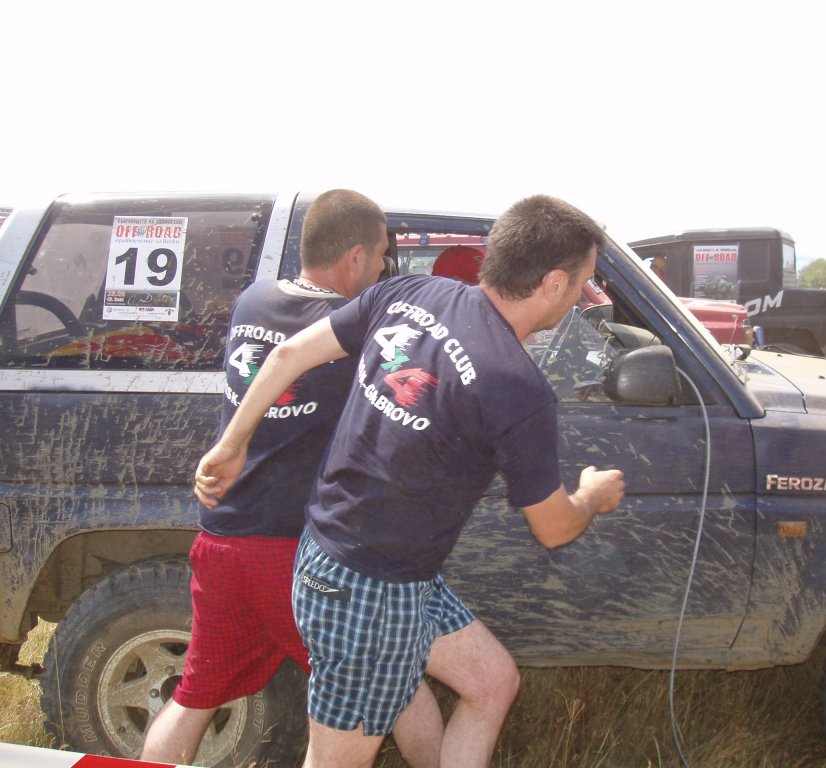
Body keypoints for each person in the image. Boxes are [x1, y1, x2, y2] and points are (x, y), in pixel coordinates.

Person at [193, 194, 626, 768]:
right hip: (367, 591)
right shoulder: (517, 388)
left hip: (359, 564)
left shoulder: (411, 294)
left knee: (493, 683)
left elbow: (289, 354)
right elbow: (553, 528)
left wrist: (232, 443)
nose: (580, 296)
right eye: (582, 283)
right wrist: (591, 497)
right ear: (553, 283)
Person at [140, 189, 441, 767]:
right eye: (381, 254)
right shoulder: (348, 333)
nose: (384, 266)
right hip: (291, 551)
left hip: (223, 538)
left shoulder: (254, 300)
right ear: (354, 257)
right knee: (398, 684)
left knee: (195, 696)